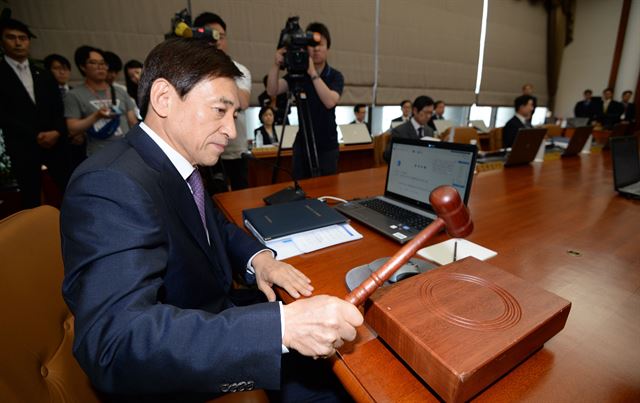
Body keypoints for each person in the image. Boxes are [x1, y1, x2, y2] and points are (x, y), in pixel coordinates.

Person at [60, 38, 362, 402]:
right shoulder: (111, 185)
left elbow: (209, 226)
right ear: (164, 98)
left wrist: (258, 260)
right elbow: (115, 342)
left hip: (220, 315)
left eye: (233, 115)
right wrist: (281, 329)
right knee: (349, 384)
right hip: (187, 360)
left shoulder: (174, 162)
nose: (232, 131)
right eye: (220, 110)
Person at [0, 18, 70, 207]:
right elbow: (4, 114)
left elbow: (58, 107)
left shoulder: (44, 74)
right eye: (11, 37)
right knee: (31, 195)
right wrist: (35, 135)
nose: (18, 42)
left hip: (54, 142)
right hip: (23, 145)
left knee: (68, 188)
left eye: (22, 38)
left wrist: (56, 131)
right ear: (2, 41)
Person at [268, 21, 344, 180]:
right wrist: (276, 65)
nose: (316, 49)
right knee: (301, 189)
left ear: (327, 48)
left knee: (326, 191)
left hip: (327, 144)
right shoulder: (298, 74)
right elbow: (272, 90)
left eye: (320, 45)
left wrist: (312, 73)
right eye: (312, 45)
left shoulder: (335, 76)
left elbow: (330, 101)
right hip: (302, 145)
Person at [194, 12, 251, 191]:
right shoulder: (191, 71)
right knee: (211, 197)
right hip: (203, 147)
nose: (217, 40)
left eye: (221, 36)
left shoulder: (240, 70)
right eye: (211, 35)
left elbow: (242, 103)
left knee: (240, 196)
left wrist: (222, 68)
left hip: (234, 149)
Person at [64, 45, 137, 157]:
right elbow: (72, 128)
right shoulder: (74, 95)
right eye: (93, 63)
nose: (100, 67)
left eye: (103, 63)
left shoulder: (120, 91)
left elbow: (132, 121)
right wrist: (96, 116)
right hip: (99, 155)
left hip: (126, 152)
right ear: (83, 67)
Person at [383, 95, 436, 162]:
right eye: (426, 112)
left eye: (431, 113)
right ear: (415, 110)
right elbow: (387, 156)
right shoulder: (399, 131)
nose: (428, 116)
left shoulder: (429, 131)